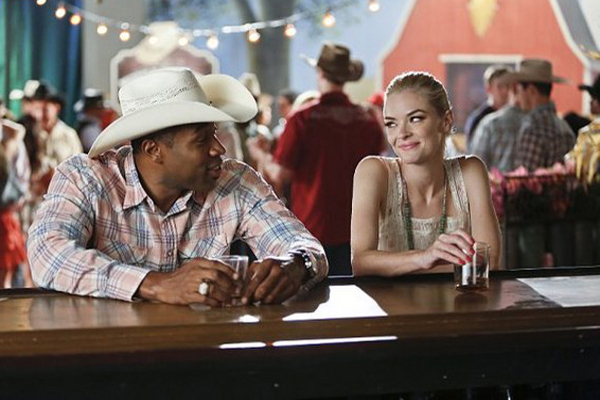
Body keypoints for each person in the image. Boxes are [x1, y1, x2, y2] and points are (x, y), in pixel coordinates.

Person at [27, 67, 328, 305]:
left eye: (215, 133)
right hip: (111, 351)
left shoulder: (234, 180)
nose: (219, 148)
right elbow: (47, 255)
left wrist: (296, 263)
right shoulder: (86, 177)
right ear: (153, 150)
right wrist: (156, 285)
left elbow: (305, 245)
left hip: (204, 351)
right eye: (202, 139)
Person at [248, 42, 385, 276]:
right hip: (359, 229)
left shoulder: (303, 118)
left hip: (313, 228)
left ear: (320, 73)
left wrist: (259, 154)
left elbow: (281, 174)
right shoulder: (367, 121)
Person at [351, 71, 501, 276]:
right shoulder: (373, 172)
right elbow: (360, 263)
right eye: (391, 123)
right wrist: (424, 257)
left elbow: (490, 262)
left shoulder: (470, 171)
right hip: (397, 301)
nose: (401, 134)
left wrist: (403, 265)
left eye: (415, 119)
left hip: (458, 298)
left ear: (446, 121)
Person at [507, 59, 575, 171]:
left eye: (519, 90)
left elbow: (525, 178)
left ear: (531, 90)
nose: (518, 97)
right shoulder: (564, 127)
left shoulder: (533, 128)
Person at [0, 118, 32, 288]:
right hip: (6, 216)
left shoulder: (10, 143)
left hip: (5, 218)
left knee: (6, 278)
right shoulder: (10, 143)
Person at [469, 81, 525, 172]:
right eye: (500, 87)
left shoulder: (489, 123)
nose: (504, 91)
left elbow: (476, 164)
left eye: (506, 87)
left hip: (493, 180)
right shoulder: (534, 122)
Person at [464, 65, 511, 146]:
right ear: (489, 89)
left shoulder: (515, 116)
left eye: (508, 86)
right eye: (500, 87)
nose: (505, 91)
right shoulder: (479, 119)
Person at [74, 88, 118, 152]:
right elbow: (97, 149)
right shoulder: (89, 128)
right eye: (99, 108)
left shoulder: (92, 123)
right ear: (92, 109)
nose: (101, 111)